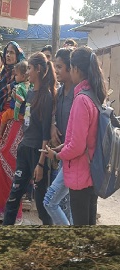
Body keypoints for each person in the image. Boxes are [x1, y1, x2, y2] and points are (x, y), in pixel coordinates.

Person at [46, 46, 105, 225]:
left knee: (80, 229)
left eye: (70, 68)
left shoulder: (81, 100)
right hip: (92, 172)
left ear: (76, 69)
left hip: (80, 174)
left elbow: (77, 146)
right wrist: (63, 147)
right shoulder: (93, 95)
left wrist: (57, 155)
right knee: (88, 229)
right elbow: (86, 139)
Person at [3, 52, 56, 225]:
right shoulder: (29, 93)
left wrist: (40, 164)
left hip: (37, 153)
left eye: (30, 69)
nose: (27, 73)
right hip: (24, 149)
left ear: (39, 70)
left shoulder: (46, 96)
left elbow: (45, 134)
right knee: (13, 196)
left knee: (41, 205)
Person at [0, 41, 26, 221]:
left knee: (11, 162)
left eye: (12, 52)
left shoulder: (22, 77)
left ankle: (12, 213)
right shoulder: (3, 74)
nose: (8, 55)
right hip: (1, 120)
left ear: (18, 55)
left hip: (14, 122)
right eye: (7, 52)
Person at [43, 47, 75, 225]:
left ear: (72, 69)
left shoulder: (79, 94)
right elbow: (54, 114)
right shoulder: (60, 92)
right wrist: (54, 125)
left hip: (72, 154)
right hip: (63, 152)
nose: (56, 71)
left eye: (60, 67)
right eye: (55, 67)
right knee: (64, 202)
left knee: (51, 200)